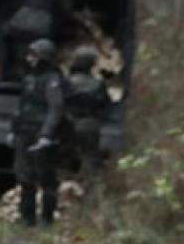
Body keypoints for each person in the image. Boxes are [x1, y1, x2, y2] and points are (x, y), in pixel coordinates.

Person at [12, 38, 65, 226]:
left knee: (46, 177)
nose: (29, 59)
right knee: (24, 176)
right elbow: (23, 106)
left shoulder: (52, 80)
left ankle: (47, 218)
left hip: (41, 135)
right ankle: (27, 217)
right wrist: (15, 129)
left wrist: (46, 134)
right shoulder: (29, 78)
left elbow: (55, 108)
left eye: (33, 55)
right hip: (25, 132)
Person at [63, 45, 110, 175]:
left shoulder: (66, 82)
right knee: (90, 158)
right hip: (89, 124)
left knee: (63, 161)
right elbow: (104, 104)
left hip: (68, 123)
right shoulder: (98, 84)